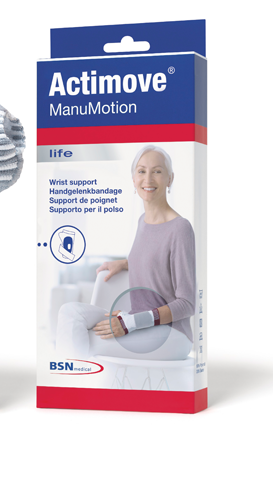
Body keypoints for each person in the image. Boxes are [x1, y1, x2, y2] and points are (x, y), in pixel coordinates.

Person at [56, 145, 195, 360]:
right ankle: (77, 379)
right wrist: (125, 262)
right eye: (141, 171)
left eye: (157, 171)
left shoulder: (180, 228)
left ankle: (76, 380)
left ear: (170, 179)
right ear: (133, 179)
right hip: (136, 321)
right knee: (70, 314)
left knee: (87, 341)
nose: (148, 179)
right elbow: (157, 257)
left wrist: (132, 322)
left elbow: (187, 303)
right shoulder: (142, 222)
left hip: (172, 333)